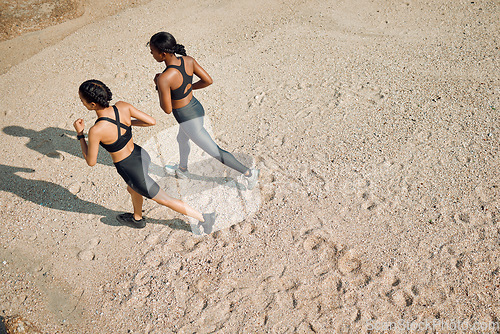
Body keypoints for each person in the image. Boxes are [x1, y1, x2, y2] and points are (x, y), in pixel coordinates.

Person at [74, 79, 215, 232]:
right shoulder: (122, 106)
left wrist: (80, 134)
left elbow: (91, 161)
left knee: (165, 199)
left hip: (130, 169)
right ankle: (137, 218)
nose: (82, 103)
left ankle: (204, 218)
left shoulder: (96, 130)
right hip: (140, 154)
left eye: (83, 101)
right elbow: (150, 121)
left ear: (93, 104)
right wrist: (127, 123)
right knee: (132, 189)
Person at [148, 32, 259, 190]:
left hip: (187, 118)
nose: (152, 54)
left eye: (152, 51)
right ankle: (183, 170)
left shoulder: (165, 78)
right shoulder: (188, 60)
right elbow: (208, 80)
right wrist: (187, 88)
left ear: (163, 54)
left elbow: (167, 109)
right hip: (196, 107)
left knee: (216, 152)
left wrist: (159, 86)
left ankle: (249, 173)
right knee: (182, 139)